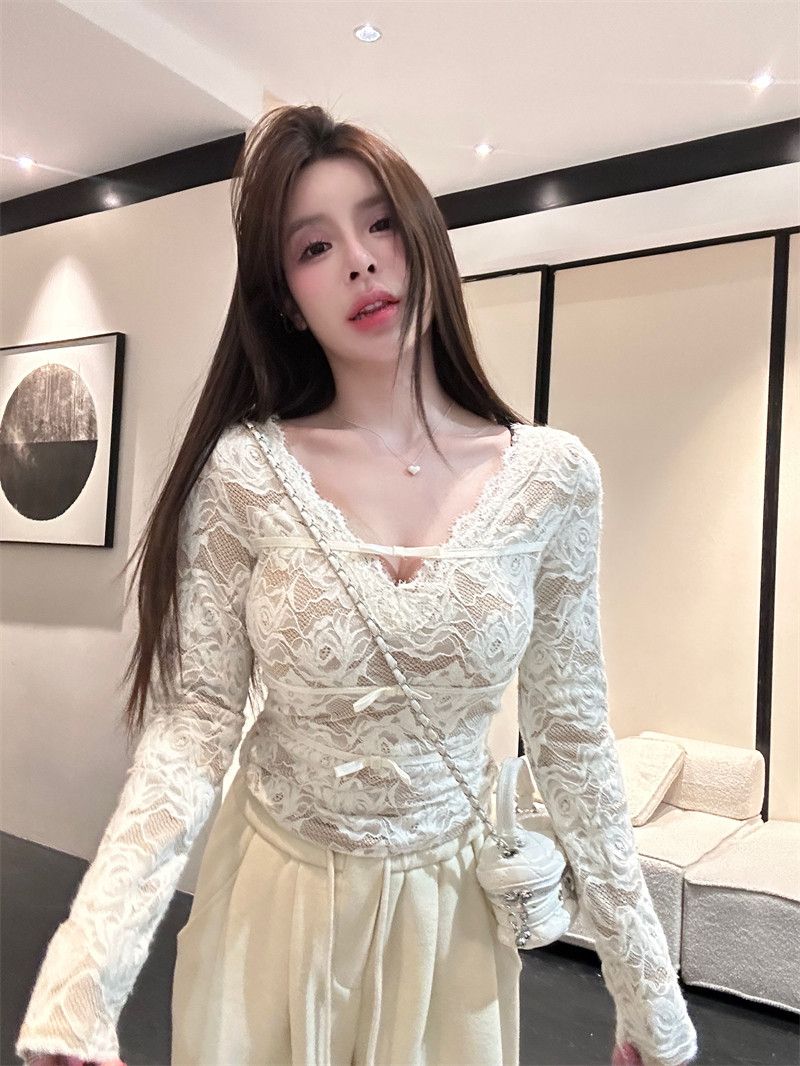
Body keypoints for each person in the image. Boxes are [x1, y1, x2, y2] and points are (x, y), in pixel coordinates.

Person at [16, 104, 698, 1066]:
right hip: (273, 908)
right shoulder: (244, 473)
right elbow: (195, 725)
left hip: (453, 930)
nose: (360, 261)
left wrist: (648, 994)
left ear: (425, 241)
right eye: (314, 246)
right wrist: (79, 988)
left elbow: (572, 735)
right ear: (288, 300)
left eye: (380, 224)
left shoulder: (554, 479)